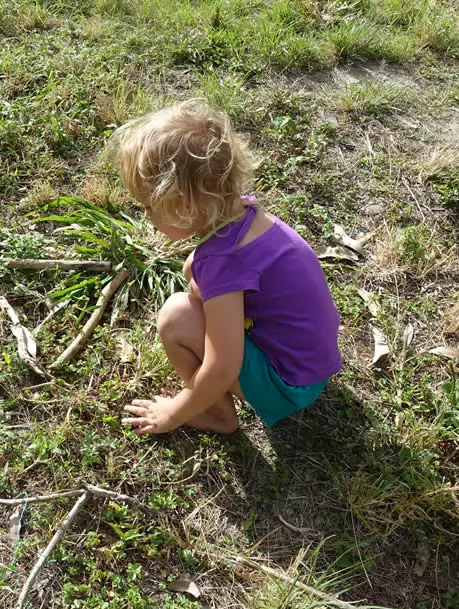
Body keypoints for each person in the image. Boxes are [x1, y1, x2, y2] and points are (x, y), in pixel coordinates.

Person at [110, 99, 342, 435]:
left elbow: (222, 366)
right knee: (193, 273)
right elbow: (205, 273)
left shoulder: (222, 261)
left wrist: (173, 413)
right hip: (313, 367)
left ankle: (217, 415)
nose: (146, 215)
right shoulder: (248, 216)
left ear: (184, 205)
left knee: (176, 316)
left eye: (149, 206)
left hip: (288, 385)